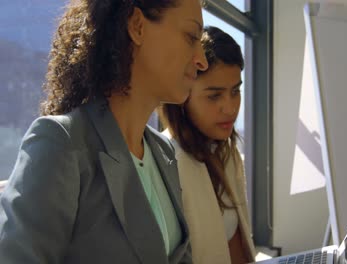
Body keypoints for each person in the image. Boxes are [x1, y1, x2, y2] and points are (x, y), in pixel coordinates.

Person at [0, 0, 208, 263]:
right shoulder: (61, 143)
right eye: (191, 36)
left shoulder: (162, 151)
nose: (201, 60)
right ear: (137, 26)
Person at [160, 26, 256, 264]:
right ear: (182, 96)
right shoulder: (168, 164)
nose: (231, 107)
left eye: (235, 91)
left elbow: (238, 247)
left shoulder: (226, 151)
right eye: (214, 95)